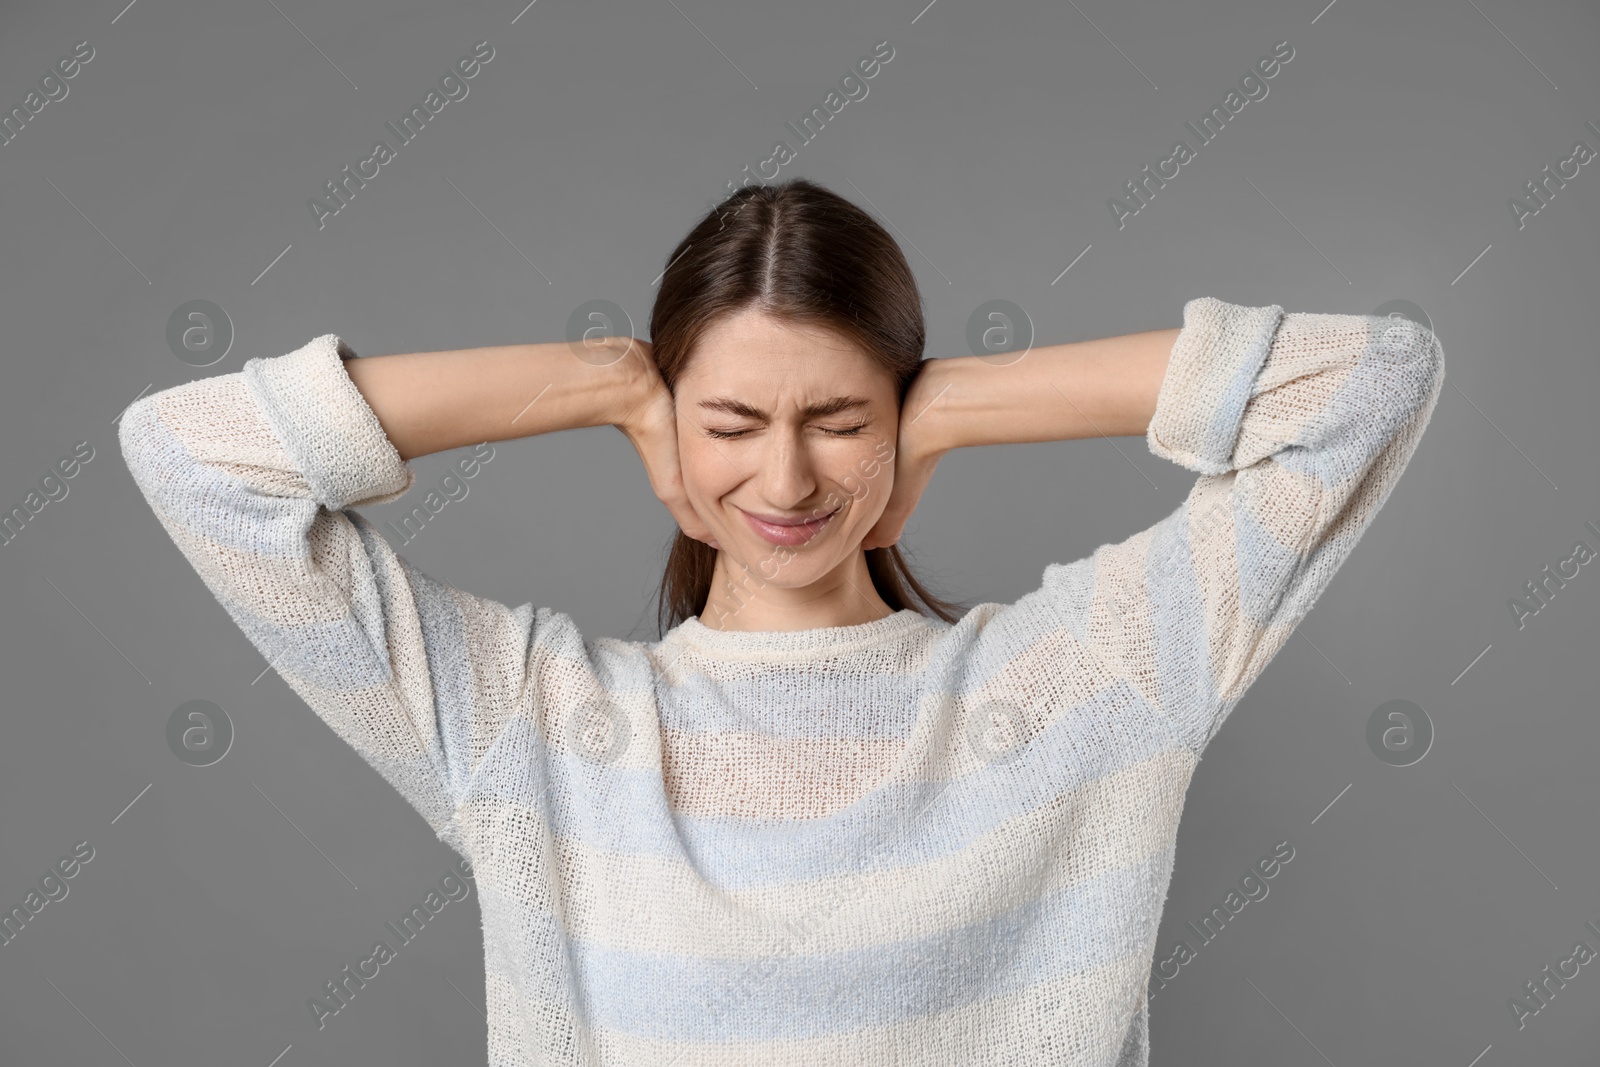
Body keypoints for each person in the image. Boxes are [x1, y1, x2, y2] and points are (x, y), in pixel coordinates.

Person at [117, 177, 1445, 1066]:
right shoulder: (533, 725)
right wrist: (602, 382)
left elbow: (1369, 381)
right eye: (733, 425)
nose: (789, 482)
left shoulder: (1086, 682)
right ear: (674, 437)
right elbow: (192, 456)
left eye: (842, 420)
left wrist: (963, 402)